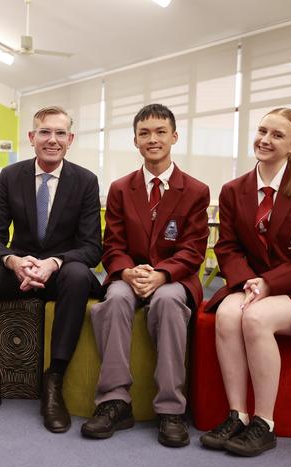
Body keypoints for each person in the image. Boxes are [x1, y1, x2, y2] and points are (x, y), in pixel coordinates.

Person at [0, 105, 102, 433]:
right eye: (45, 132)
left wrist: (54, 263)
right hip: (19, 271)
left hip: (61, 274)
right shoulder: (11, 177)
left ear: (70, 139)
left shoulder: (85, 181)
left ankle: (54, 382)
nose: (52, 139)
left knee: (80, 274)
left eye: (60, 133)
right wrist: (13, 261)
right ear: (31, 137)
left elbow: (91, 247)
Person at [200, 107, 291, 456]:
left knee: (255, 318)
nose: (265, 140)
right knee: (227, 315)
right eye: (262, 130)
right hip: (250, 284)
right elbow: (227, 247)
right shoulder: (232, 190)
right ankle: (237, 415)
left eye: (277, 135)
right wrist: (248, 282)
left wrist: (269, 283)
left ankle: (264, 423)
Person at [80, 104, 209, 447]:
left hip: (174, 279)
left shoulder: (196, 191)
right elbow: (113, 244)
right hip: (130, 274)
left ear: (174, 137)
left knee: (168, 303)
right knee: (116, 298)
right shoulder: (121, 189)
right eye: (144, 133)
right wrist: (126, 271)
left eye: (160, 132)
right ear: (135, 140)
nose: (153, 139)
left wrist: (163, 275)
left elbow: (194, 249)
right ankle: (114, 401)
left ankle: (170, 409)